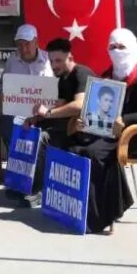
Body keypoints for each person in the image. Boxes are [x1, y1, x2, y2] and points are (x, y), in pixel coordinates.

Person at [70, 28, 137, 235]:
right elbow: (98, 109)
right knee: (75, 145)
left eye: (122, 47)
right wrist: (84, 121)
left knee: (94, 152)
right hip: (110, 133)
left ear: (132, 48)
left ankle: (101, 216)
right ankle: (84, 209)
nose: (116, 51)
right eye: (112, 47)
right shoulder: (108, 77)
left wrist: (126, 120)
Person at [19, 38, 94, 207]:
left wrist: (48, 113)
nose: (54, 65)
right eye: (51, 61)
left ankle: (39, 191)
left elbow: (79, 105)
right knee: (32, 130)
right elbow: (59, 105)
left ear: (70, 57)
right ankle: (24, 184)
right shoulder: (62, 78)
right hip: (70, 126)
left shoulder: (81, 74)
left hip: (87, 131)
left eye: (58, 61)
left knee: (43, 138)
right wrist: (35, 118)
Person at [0, 23, 54, 149]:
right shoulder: (12, 60)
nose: (23, 49)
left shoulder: (49, 60)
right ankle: (15, 157)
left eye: (27, 44)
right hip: (17, 111)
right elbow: (3, 85)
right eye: (19, 45)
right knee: (7, 125)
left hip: (43, 113)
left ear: (36, 42)